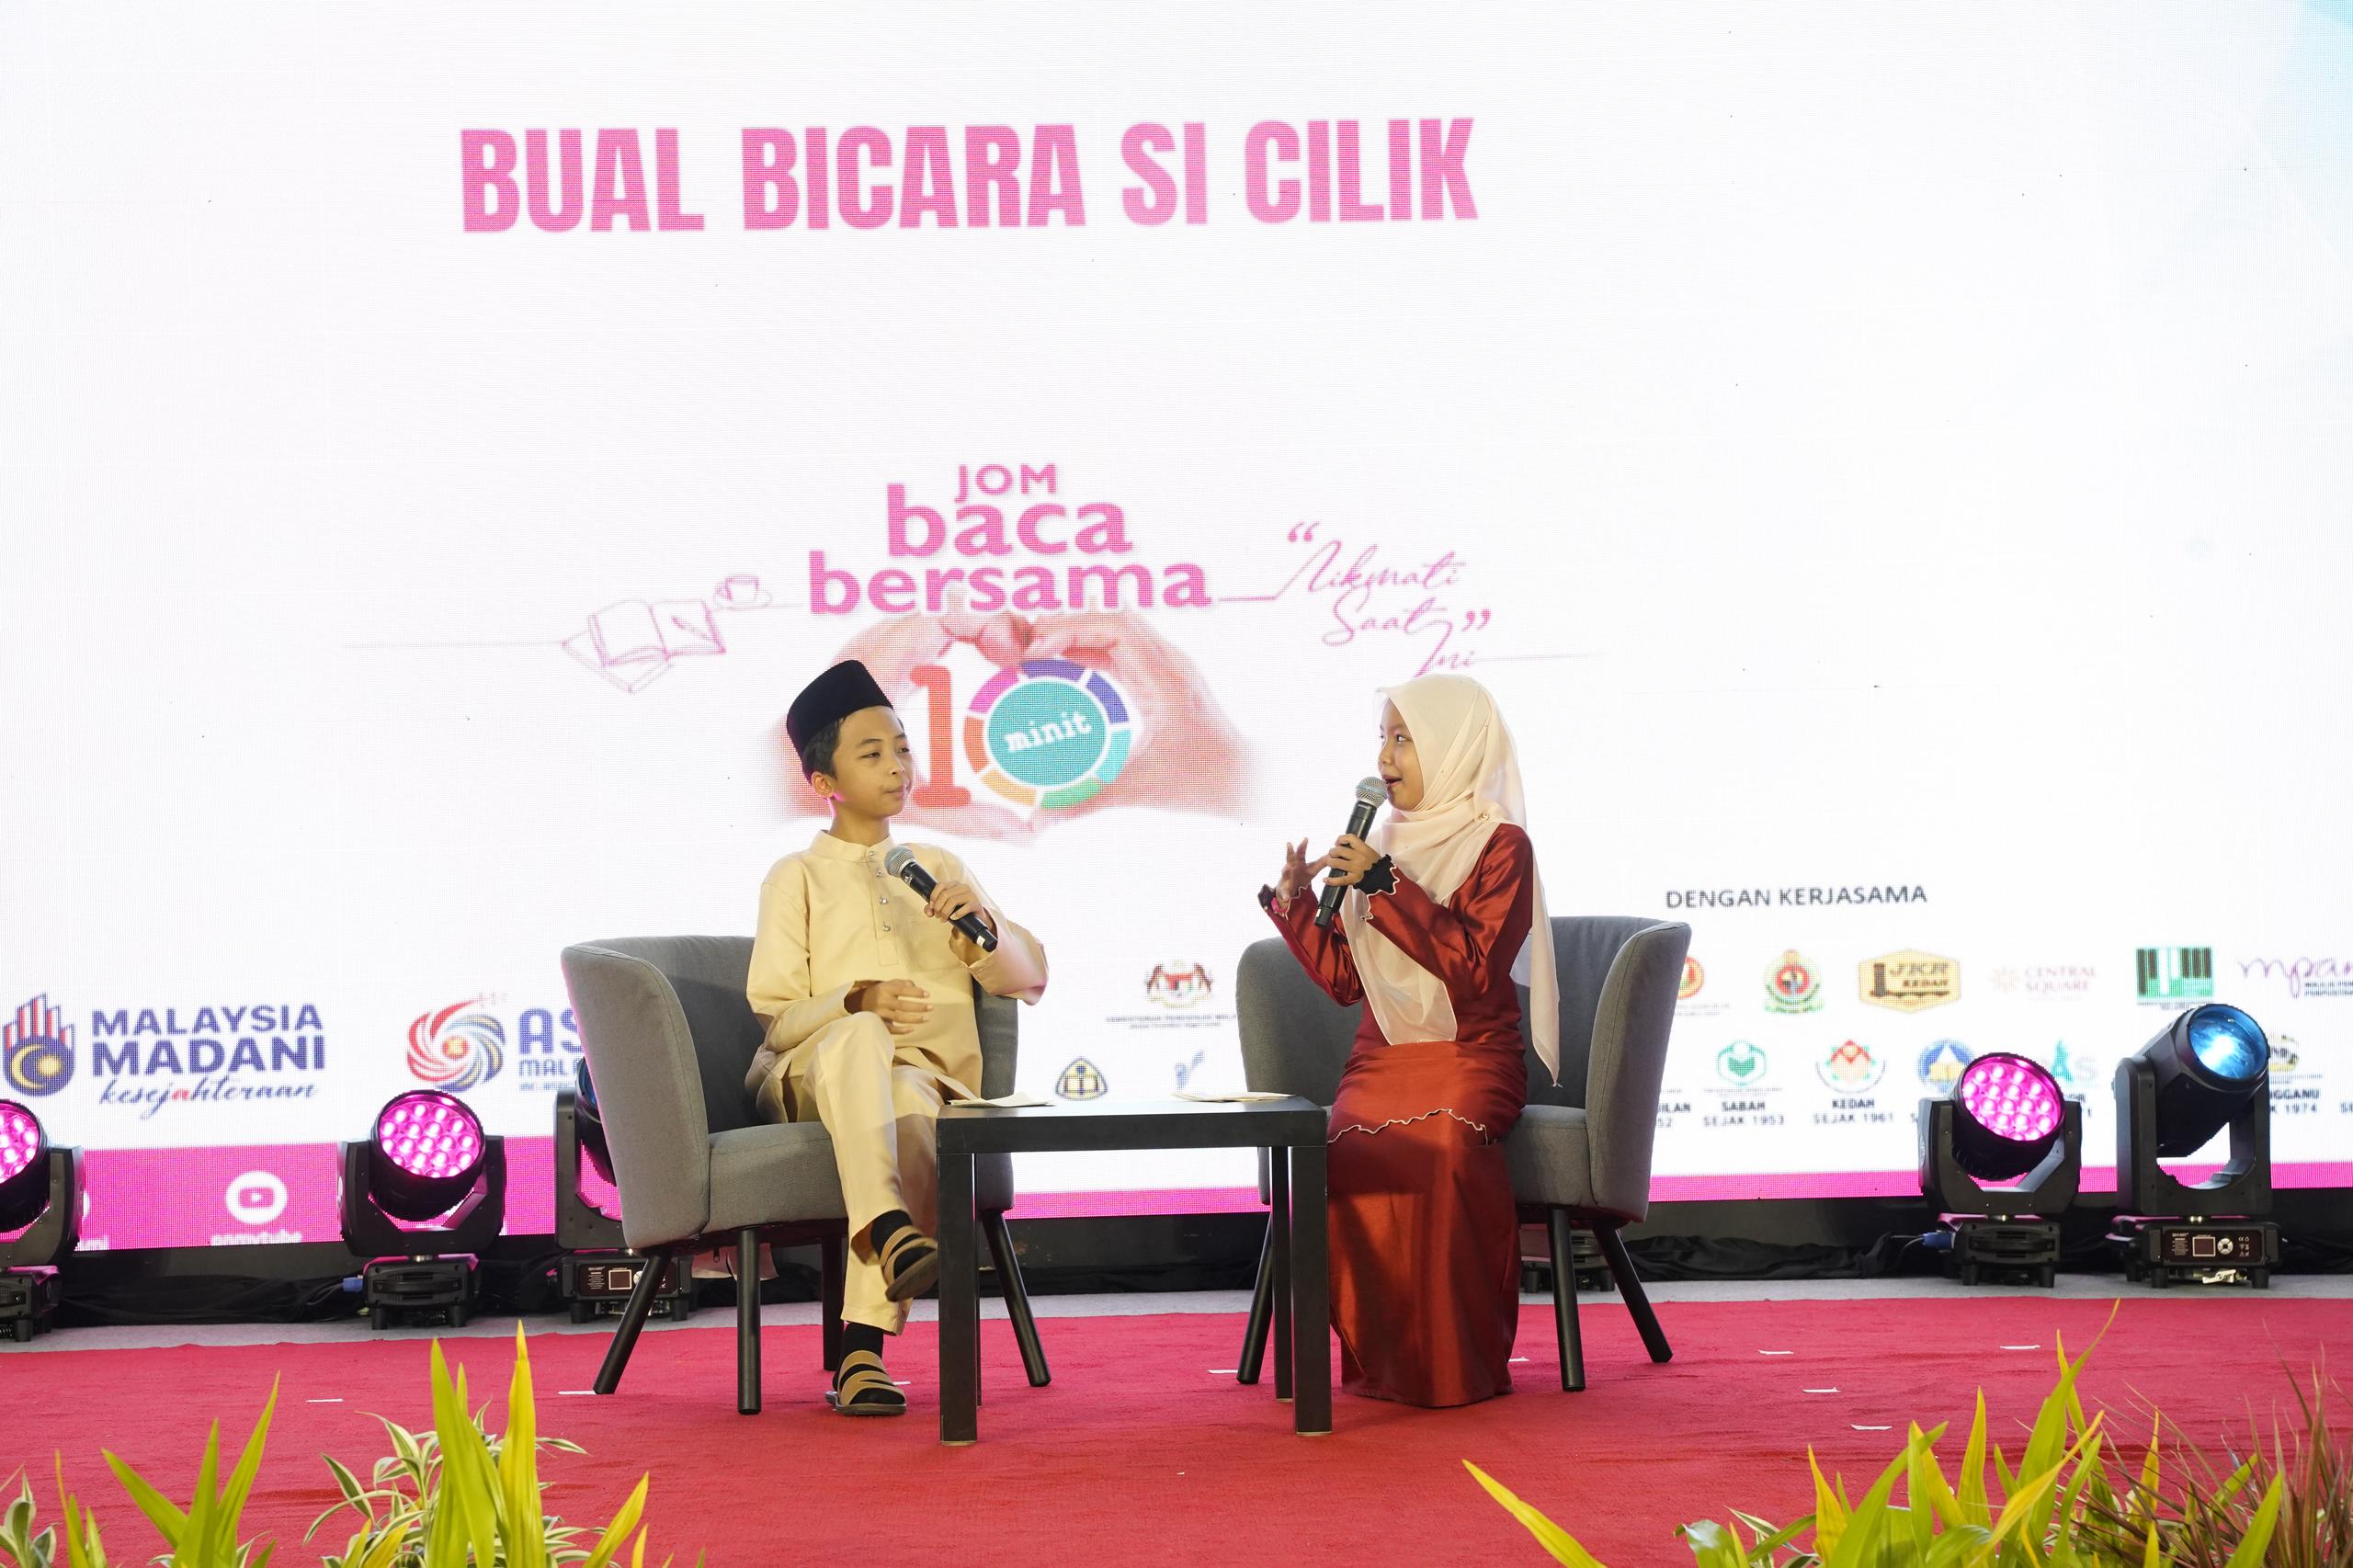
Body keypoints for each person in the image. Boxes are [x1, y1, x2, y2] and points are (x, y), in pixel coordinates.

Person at [745, 658, 1049, 1416]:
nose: (897, 767)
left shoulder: (938, 867)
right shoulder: (797, 877)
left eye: (904, 749)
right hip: (812, 1074)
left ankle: (862, 1352)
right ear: (825, 781)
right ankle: (886, 1227)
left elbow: (1028, 978)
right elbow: (776, 1015)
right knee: (859, 1037)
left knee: (911, 1105)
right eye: (873, 753)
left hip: (925, 1078)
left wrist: (979, 930)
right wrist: (856, 1000)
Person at [1259, 675, 1558, 1407]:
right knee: (1342, 1147)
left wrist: (1388, 886)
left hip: (1471, 1054)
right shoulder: (1375, 845)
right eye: (1382, 739)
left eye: (1404, 739)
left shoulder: (1501, 846)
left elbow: (1474, 970)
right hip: (1383, 1059)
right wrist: (1298, 903)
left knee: (1444, 1144)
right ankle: (1383, 1362)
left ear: (1453, 747)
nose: (1385, 758)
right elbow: (1345, 982)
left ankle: (1457, 1364)